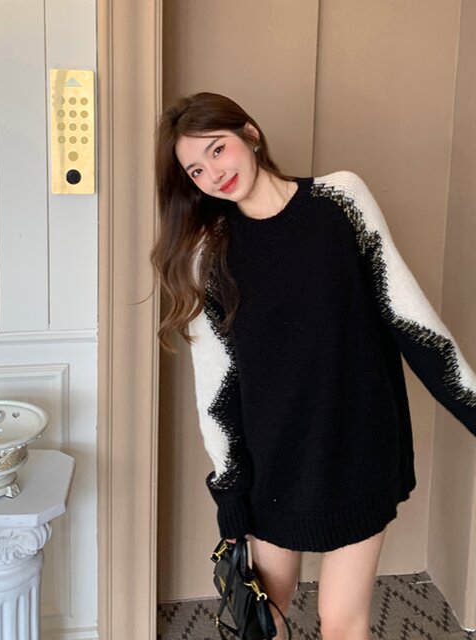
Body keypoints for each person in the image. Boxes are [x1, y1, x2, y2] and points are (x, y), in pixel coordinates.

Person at [151, 91, 476, 640]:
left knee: (343, 622)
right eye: (196, 170)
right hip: (275, 461)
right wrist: (231, 494)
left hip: (359, 448)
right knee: (266, 616)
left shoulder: (340, 198)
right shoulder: (209, 254)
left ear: (250, 134)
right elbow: (217, 389)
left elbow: (411, 321)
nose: (214, 173)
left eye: (217, 149)